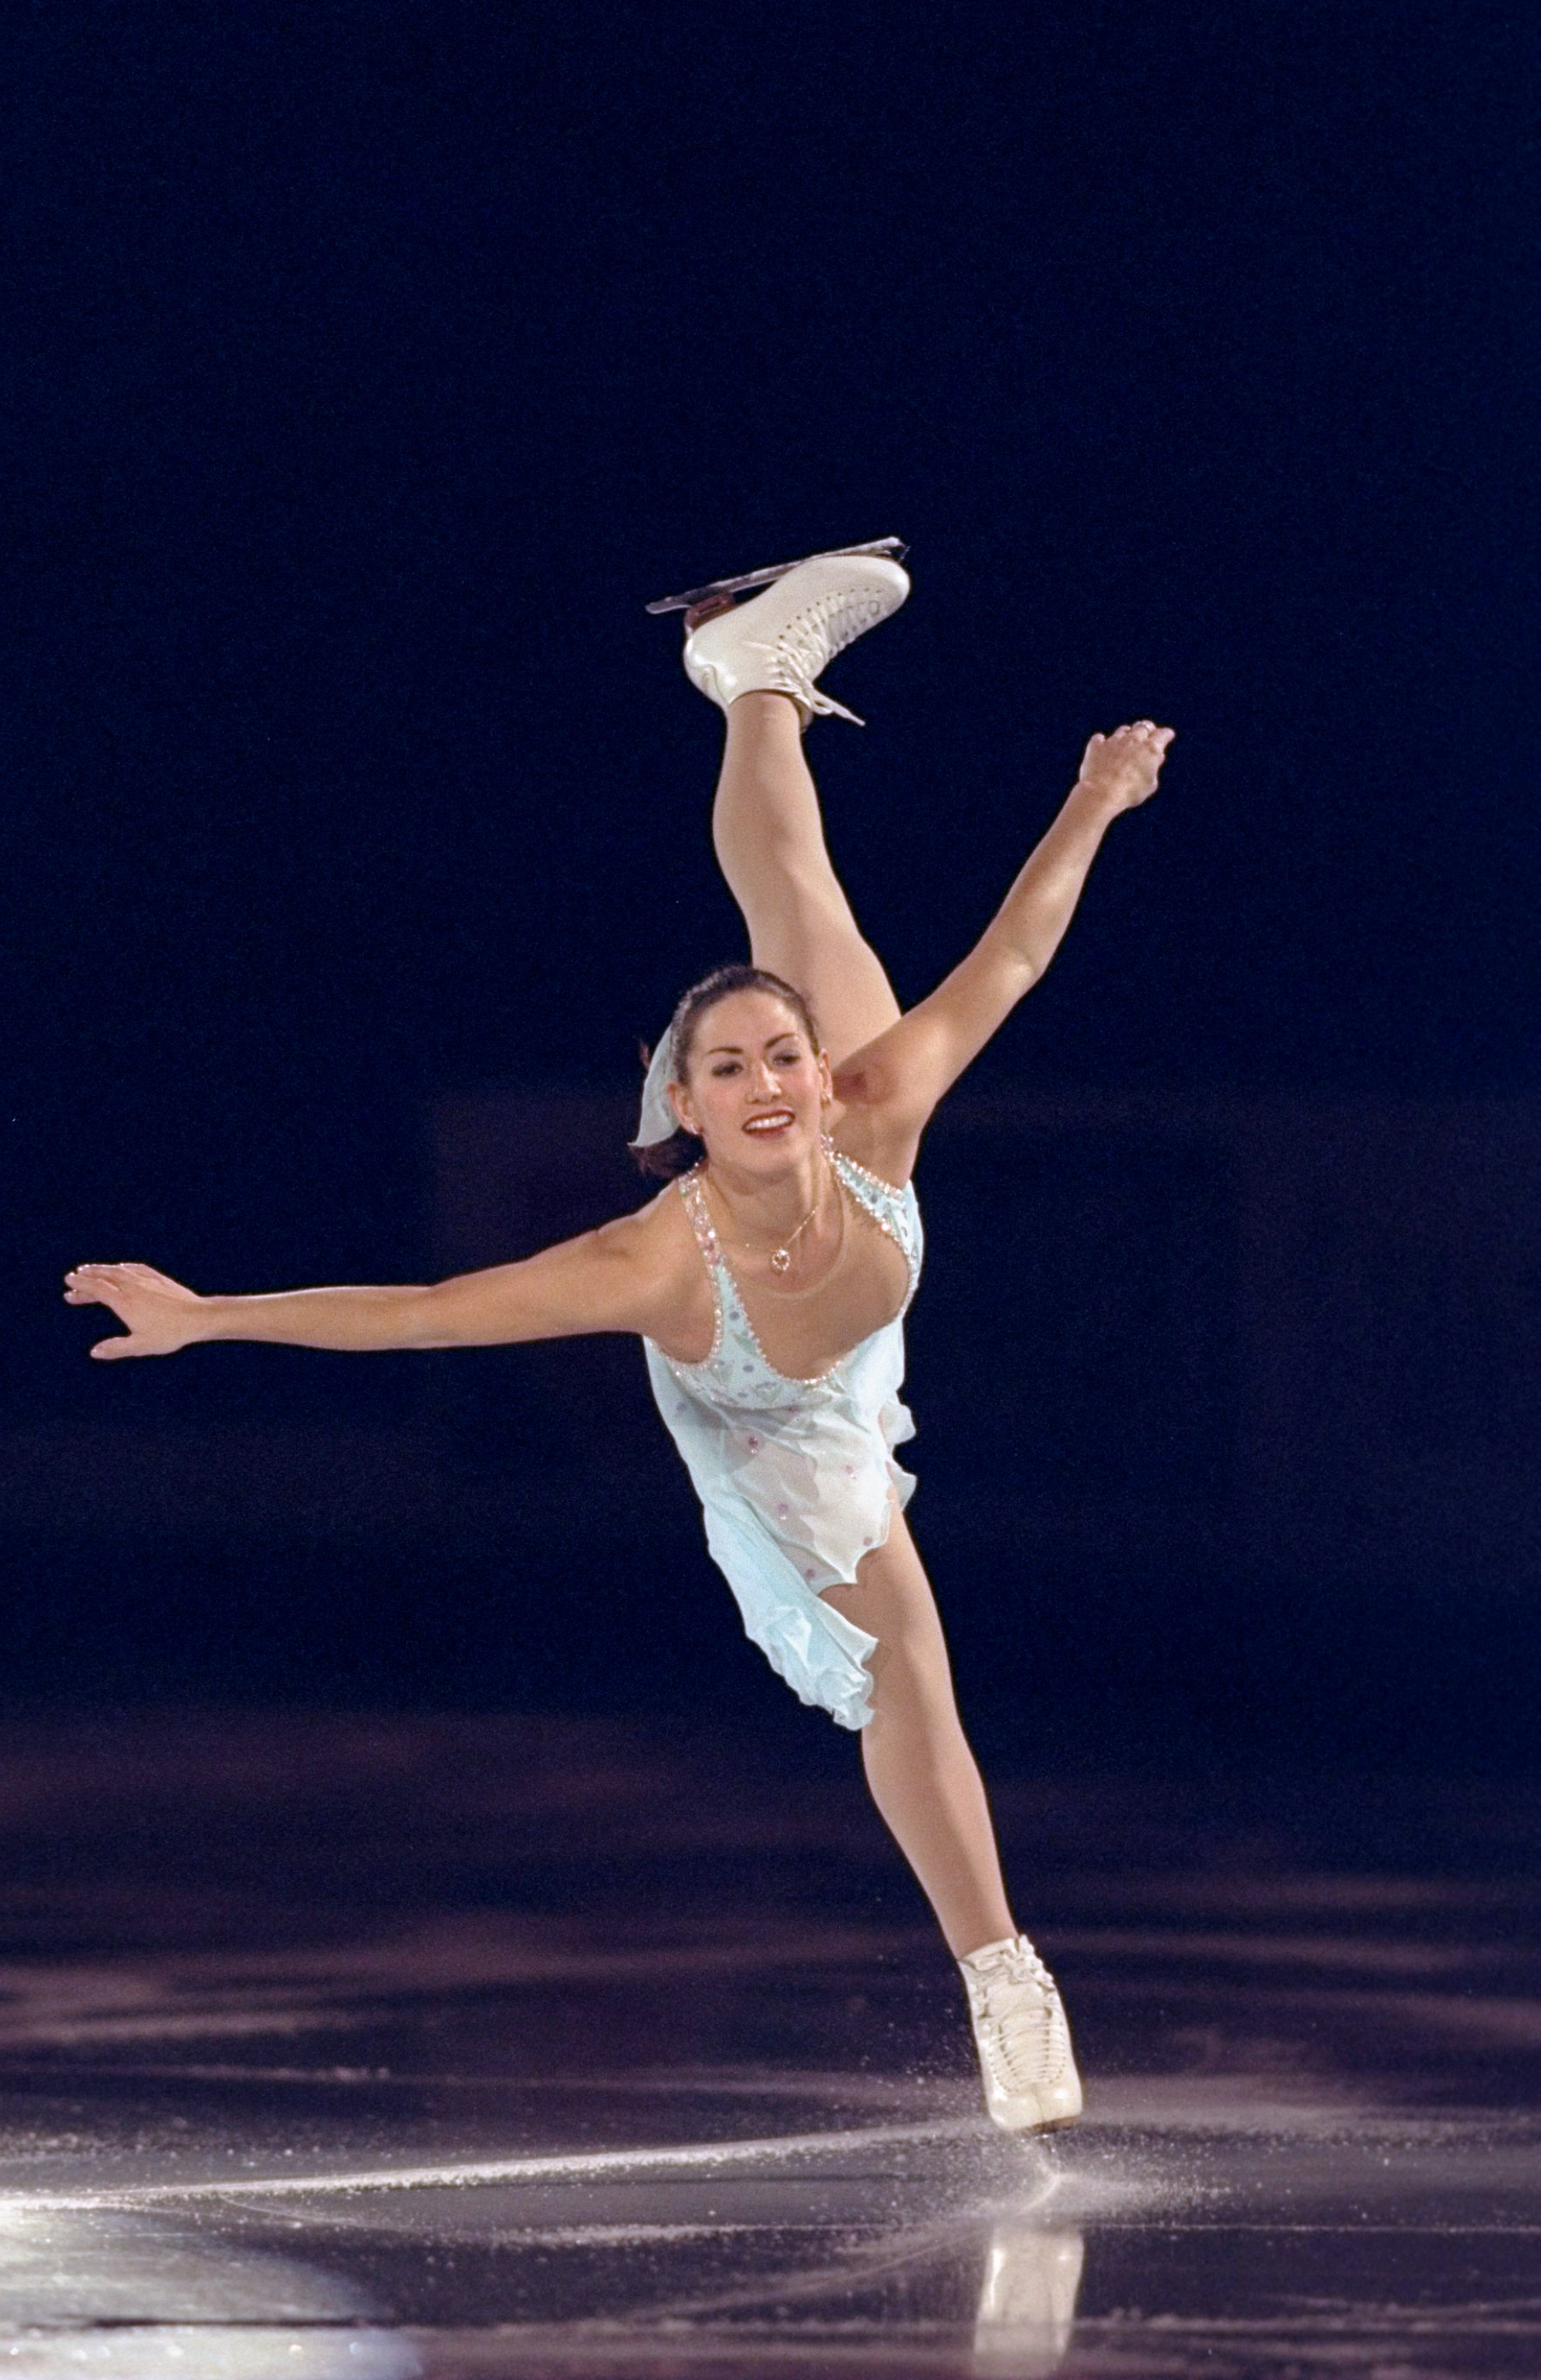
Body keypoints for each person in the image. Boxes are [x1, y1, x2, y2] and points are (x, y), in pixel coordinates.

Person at [66, 547, 1173, 2134]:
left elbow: (1014, 954)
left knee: (800, 901)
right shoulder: (652, 1260)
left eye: (783, 1052)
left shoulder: (875, 1104)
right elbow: (426, 1317)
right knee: (906, 1663)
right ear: (690, 1107)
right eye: (731, 1069)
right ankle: (1005, 1976)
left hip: (849, 1323)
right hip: (771, 1422)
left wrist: (1093, 803)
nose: (774, 1078)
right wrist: (208, 1320)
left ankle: (751, 669)